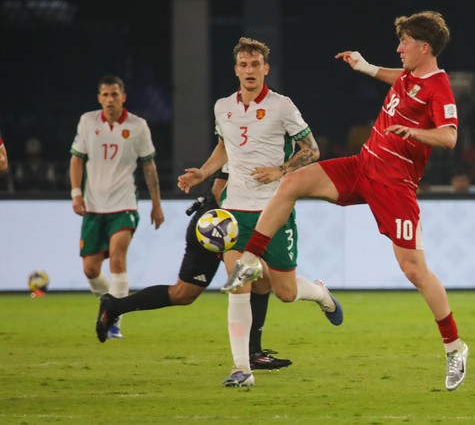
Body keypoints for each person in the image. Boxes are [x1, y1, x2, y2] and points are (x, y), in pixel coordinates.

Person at [226, 11, 470, 391]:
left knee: (414, 270)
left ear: (423, 47)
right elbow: (401, 79)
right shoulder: (411, 76)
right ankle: (250, 258)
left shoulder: (440, 87)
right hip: (363, 166)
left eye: (404, 42)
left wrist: (417, 132)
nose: (398, 47)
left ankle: (454, 346)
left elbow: (450, 136)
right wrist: (367, 67)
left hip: (395, 184)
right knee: (290, 182)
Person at [177, 37, 341, 388]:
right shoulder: (223, 107)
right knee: (239, 284)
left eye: (255, 65)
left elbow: (311, 150)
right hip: (233, 212)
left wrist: (280, 172)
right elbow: (224, 146)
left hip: (274, 209)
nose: (249, 71)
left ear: (266, 68)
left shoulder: (282, 106)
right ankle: (241, 369)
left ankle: (320, 293)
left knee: (284, 291)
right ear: (235, 69)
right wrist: (204, 173)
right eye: (243, 65)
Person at [95, 168, 292, 371]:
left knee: (186, 293)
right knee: (192, 292)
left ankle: (115, 306)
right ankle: (251, 356)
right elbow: (218, 191)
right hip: (215, 229)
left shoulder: (260, 150)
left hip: (228, 227)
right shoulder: (238, 150)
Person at [70, 75, 165, 339]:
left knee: (118, 257)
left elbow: (149, 166)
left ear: (123, 96)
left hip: (124, 205)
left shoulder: (138, 126)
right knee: (90, 269)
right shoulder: (88, 122)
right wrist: (76, 193)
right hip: (93, 206)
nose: (110, 99)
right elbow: (77, 159)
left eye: (114, 94)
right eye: (105, 95)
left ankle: (115, 321)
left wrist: (156, 204)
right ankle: (108, 304)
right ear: (99, 98)